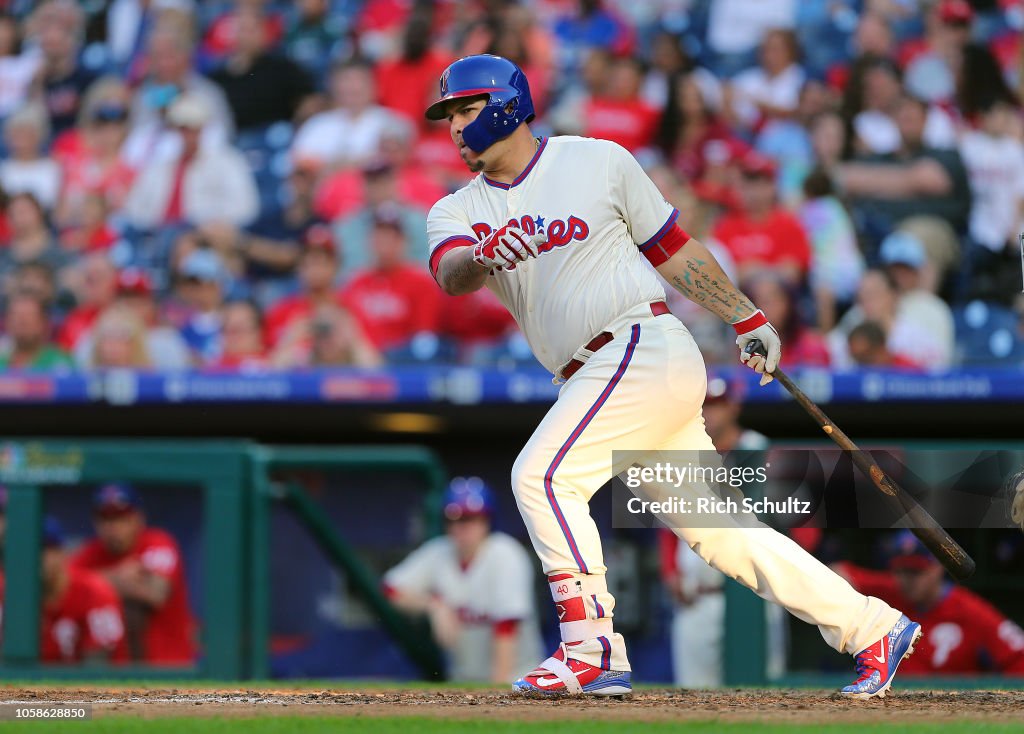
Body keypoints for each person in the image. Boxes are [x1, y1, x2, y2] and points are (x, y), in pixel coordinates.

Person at [424, 54, 919, 698]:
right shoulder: (456, 209)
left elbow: (672, 249)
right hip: (593, 374)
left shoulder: (596, 160)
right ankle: (870, 627)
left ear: (508, 104)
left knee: (541, 477)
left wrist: (745, 316)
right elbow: (451, 275)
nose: (457, 126)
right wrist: (484, 254)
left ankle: (591, 648)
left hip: (639, 345)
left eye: (467, 108)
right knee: (723, 535)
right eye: (449, 116)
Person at [660, 377, 769, 687]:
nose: (710, 413)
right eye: (704, 406)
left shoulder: (756, 448)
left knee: (762, 696)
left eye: (717, 405)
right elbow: (668, 520)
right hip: (700, 598)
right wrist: (670, 570)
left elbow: (791, 516)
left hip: (755, 596)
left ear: (733, 407)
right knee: (694, 694)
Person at [383, 477, 544, 683]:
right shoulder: (439, 552)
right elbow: (390, 589)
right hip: (463, 681)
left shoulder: (505, 553)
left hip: (519, 679)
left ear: (487, 521)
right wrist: (434, 606)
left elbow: (506, 627)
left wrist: (499, 693)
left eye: (470, 518)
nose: (461, 526)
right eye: (454, 519)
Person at [834, 531, 1024, 674]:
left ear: (938, 568)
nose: (907, 579)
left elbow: (1018, 658)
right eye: (901, 570)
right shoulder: (890, 591)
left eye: (916, 571)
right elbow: (837, 573)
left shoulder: (970, 611)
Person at [72, 484, 198, 664]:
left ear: (139, 518)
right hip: (116, 675)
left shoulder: (157, 542)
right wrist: (118, 577)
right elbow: (65, 586)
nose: (113, 526)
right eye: (106, 518)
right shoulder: (90, 554)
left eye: (122, 517)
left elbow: (156, 593)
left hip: (170, 667)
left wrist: (95, 584)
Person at [124, 93, 259, 231]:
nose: (188, 135)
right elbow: (134, 208)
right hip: (157, 235)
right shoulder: (158, 165)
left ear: (202, 128)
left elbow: (246, 208)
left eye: (193, 128)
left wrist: (208, 222)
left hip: (204, 236)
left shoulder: (227, 161)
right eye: (183, 128)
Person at [340, 206, 441, 354]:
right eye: (380, 235)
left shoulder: (421, 283)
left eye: (391, 236)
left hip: (402, 363)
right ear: (370, 241)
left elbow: (423, 339)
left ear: (403, 242)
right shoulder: (355, 283)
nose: (384, 242)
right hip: (360, 361)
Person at [35, 516, 127, 663]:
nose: (39, 558)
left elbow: (98, 668)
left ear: (62, 553)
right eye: (30, 550)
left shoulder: (94, 591)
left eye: (47, 549)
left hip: (103, 685)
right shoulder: (8, 594)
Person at [208, 6, 315, 132]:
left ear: (264, 32)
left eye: (252, 30)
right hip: (233, 139)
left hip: (277, 136)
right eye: (243, 30)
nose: (247, 36)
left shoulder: (283, 68)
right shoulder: (218, 76)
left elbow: (310, 101)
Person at [0, 291, 73, 371]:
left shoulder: (60, 362)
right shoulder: (2, 360)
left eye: (29, 316)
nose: (21, 322)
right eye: (15, 315)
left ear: (44, 322)